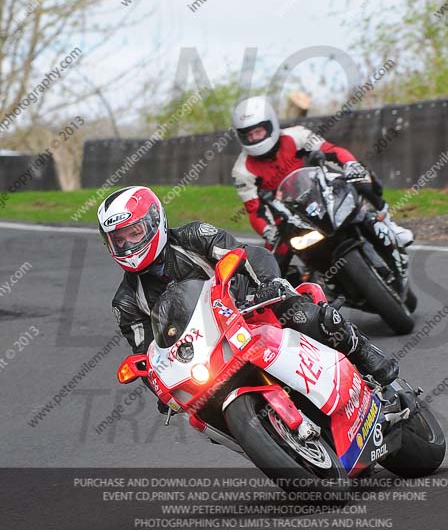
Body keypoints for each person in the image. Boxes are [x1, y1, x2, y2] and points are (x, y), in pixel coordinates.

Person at [99, 186, 399, 413]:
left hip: (250, 308)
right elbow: (147, 354)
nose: (127, 244)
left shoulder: (193, 236)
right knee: (203, 408)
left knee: (306, 317)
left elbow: (244, 254)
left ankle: (365, 356)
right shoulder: (126, 301)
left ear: (155, 221)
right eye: (119, 239)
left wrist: (268, 285)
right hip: (207, 352)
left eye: (133, 233)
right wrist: (159, 390)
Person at [231, 96, 413, 282]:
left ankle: (389, 224)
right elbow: (254, 210)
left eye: (258, 131)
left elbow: (331, 150)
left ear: (271, 125)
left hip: (320, 193)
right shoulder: (241, 170)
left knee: (362, 179)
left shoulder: (297, 136)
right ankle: (308, 292)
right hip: (287, 218)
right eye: (248, 135)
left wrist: (350, 164)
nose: (253, 138)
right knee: (269, 269)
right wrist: (268, 231)